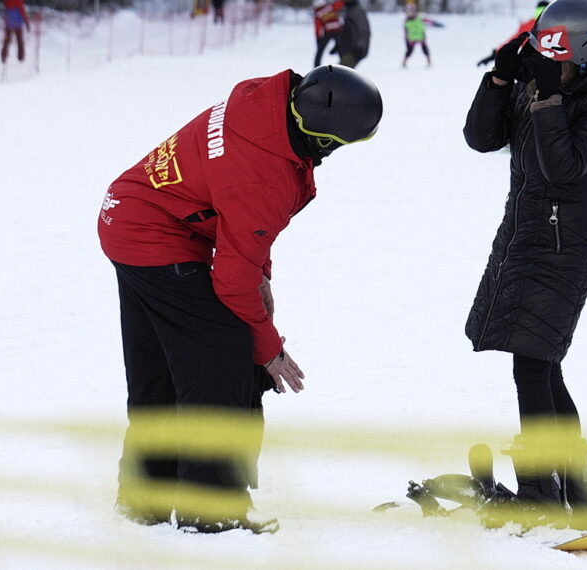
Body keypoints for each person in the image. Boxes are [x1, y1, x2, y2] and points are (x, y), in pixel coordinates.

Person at [98, 65, 383, 533]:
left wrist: (261, 273)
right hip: (155, 234)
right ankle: (211, 511)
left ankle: (142, 499)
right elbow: (232, 280)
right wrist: (268, 350)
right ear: (326, 140)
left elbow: (242, 229)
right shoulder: (263, 176)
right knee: (224, 356)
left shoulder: (264, 104)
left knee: (165, 371)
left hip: (128, 214)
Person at [462, 0, 587, 531]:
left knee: (532, 360)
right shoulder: (541, 82)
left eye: (548, 56)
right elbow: (481, 138)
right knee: (543, 363)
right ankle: (578, 492)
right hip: (528, 234)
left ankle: (540, 492)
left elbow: (563, 168)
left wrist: (549, 98)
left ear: (583, 56)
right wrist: (499, 81)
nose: (538, 63)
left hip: (568, 249)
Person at [475, 1, 548, 67]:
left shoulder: (528, 25)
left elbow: (513, 41)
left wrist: (496, 54)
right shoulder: (555, 25)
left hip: (528, 66)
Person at [401, 2, 442, 68]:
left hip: (421, 37)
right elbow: (406, 32)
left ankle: (429, 61)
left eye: (410, 12)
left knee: (425, 49)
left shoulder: (420, 19)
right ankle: (404, 62)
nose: (409, 14)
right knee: (409, 51)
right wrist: (407, 40)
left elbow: (429, 21)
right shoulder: (406, 22)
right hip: (412, 39)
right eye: (407, 12)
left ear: (414, 12)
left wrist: (436, 24)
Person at [336, 0, 370, 68]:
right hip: (346, 50)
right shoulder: (346, 9)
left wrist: (360, 46)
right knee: (340, 72)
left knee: (340, 73)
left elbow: (364, 30)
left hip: (354, 50)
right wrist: (337, 45)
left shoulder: (357, 11)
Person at [312, 0, 344, 67]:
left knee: (320, 51)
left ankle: (316, 66)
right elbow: (340, 4)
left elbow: (318, 27)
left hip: (328, 31)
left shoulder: (318, 14)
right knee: (341, 48)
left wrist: (318, 38)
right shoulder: (330, 7)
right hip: (338, 30)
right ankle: (344, 64)